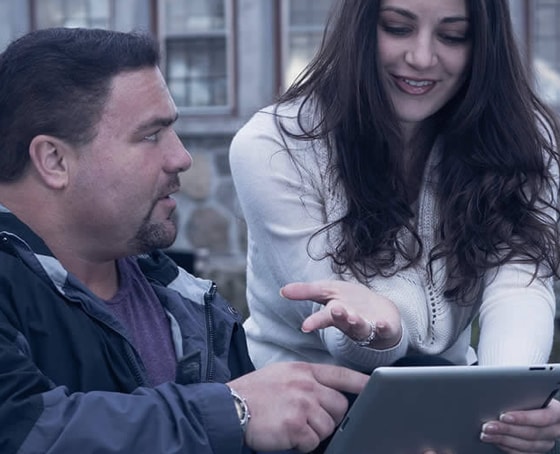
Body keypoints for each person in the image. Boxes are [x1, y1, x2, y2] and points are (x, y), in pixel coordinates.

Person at [0, 27, 369, 454]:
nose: (181, 158)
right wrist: (233, 409)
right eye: (151, 135)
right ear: (54, 160)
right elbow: (24, 431)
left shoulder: (189, 305)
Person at [230, 0, 560, 451]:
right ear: (360, 26)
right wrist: (380, 329)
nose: (421, 58)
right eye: (397, 27)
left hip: (448, 398)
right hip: (310, 412)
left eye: (453, 36)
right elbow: (339, 332)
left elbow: (520, 283)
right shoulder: (273, 146)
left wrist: (505, 409)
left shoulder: (522, 138)